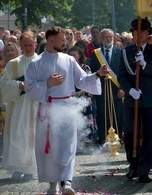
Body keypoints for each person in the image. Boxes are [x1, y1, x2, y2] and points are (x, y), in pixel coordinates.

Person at [24, 26, 108, 195]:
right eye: (62, 40)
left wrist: (98, 74)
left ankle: (66, 183)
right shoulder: (36, 63)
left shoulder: (69, 60)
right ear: (51, 40)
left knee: (67, 146)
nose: (65, 43)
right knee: (50, 148)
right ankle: (53, 184)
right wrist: (47, 84)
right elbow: (29, 87)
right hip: (48, 109)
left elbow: (82, 80)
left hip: (68, 107)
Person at [118, 19, 152, 183]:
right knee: (130, 133)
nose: (141, 35)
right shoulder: (126, 52)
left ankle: (144, 169)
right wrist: (129, 90)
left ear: (148, 34)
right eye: (137, 32)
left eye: (144, 32)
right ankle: (133, 165)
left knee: (150, 135)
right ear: (133, 34)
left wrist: (145, 65)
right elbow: (121, 75)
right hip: (133, 100)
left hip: (151, 99)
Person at [0, 31, 38, 181]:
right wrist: (18, 85)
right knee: (18, 136)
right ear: (20, 46)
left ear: (35, 44)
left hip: (35, 105)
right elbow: (4, 83)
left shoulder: (41, 62)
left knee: (33, 136)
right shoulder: (13, 64)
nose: (28, 48)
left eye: (31, 45)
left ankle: (31, 168)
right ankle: (17, 167)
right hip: (18, 106)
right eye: (25, 45)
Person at [91, 28, 124, 146]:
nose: (109, 39)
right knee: (102, 114)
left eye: (111, 37)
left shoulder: (120, 52)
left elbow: (124, 72)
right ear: (101, 38)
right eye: (106, 37)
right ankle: (103, 139)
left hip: (117, 90)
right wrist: (93, 90)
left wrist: (123, 88)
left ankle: (117, 139)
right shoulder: (96, 54)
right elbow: (93, 72)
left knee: (118, 114)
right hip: (101, 89)